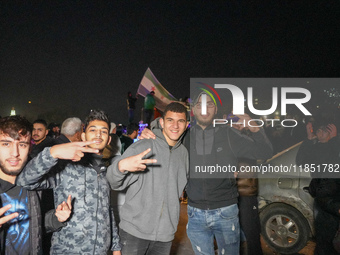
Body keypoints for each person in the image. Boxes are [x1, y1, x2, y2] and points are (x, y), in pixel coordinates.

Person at [140, 93, 273, 255]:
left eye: (209, 104)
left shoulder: (230, 135)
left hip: (226, 211)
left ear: (215, 109)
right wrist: (149, 132)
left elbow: (265, 151)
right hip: (195, 214)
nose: (204, 108)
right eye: (200, 105)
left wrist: (255, 128)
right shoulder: (183, 137)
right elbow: (164, 129)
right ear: (194, 110)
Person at [16, 110, 121, 254]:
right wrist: (51, 153)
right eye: (93, 130)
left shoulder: (104, 172)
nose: (98, 134)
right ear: (83, 136)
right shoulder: (66, 165)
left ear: (109, 139)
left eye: (104, 131)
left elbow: (107, 211)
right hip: (67, 250)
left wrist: (116, 247)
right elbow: (24, 181)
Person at [107, 102, 189, 255]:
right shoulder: (143, 146)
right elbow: (113, 182)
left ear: (186, 124)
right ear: (162, 122)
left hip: (165, 236)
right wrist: (120, 167)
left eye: (181, 121)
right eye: (170, 120)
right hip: (134, 232)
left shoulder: (184, 154)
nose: (175, 126)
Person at [0, 115, 72, 254]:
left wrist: (56, 218)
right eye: (6, 144)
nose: (14, 153)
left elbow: (34, 225)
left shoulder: (33, 184)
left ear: (30, 148)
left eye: (22, 145)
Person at [296, 119, 340, 255]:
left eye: (322, 129)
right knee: (324, 239)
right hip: (323, 198)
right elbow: (301, 161)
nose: (318, 131)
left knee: (329, 239)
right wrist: (309, 139)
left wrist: (334, 140)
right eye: (318, 129)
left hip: (332, 197)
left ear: (329, 133)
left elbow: (333, 160)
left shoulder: (333, 148)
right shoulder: (316, 148)